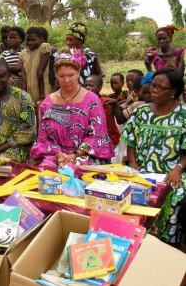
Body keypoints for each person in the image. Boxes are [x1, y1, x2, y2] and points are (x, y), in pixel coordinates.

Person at [121, 68, 186, 246]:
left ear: (173, 92)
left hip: (173, 172)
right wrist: (133, 163)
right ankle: (134, 242)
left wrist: (178, 169)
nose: (153, 91)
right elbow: (131, 141)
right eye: (152, 86)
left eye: (159, 88)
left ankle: (167, 244)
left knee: (175, 196)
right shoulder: (141, 113)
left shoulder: (183, 115)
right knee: (124, 194)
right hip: (142, 171)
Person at [30, 47, 114, 168]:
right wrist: (59, 153)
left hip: (85, 155)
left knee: (73, 170)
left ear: (79, 72)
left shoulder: (91, 100)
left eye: (71, 75)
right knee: (47, 174)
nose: (67, 80)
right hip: (55, 155)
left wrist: (74, 155)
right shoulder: (48, 103)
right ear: (56, 76)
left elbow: (97, 136)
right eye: (61, 76)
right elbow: (43, 138)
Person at [85, 75, 120, 147]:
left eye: (91, 85)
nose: (87, 88)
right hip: (92, 139)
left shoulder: (105, 102)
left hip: (109, 139)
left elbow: (108, 125)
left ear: (99, 88)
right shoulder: (85, 102)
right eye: (86, 85)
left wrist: (107, 143)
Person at [20, 27, 51, 102]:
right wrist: (24, 95)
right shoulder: (23, 54)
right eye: (28, 40)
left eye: (33, 40)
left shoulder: (44, 48)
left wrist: (41, 95)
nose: (30, 42)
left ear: (41, 39)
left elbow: (40, 71)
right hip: (29, 90)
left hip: (42, 88)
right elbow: (23, 77)